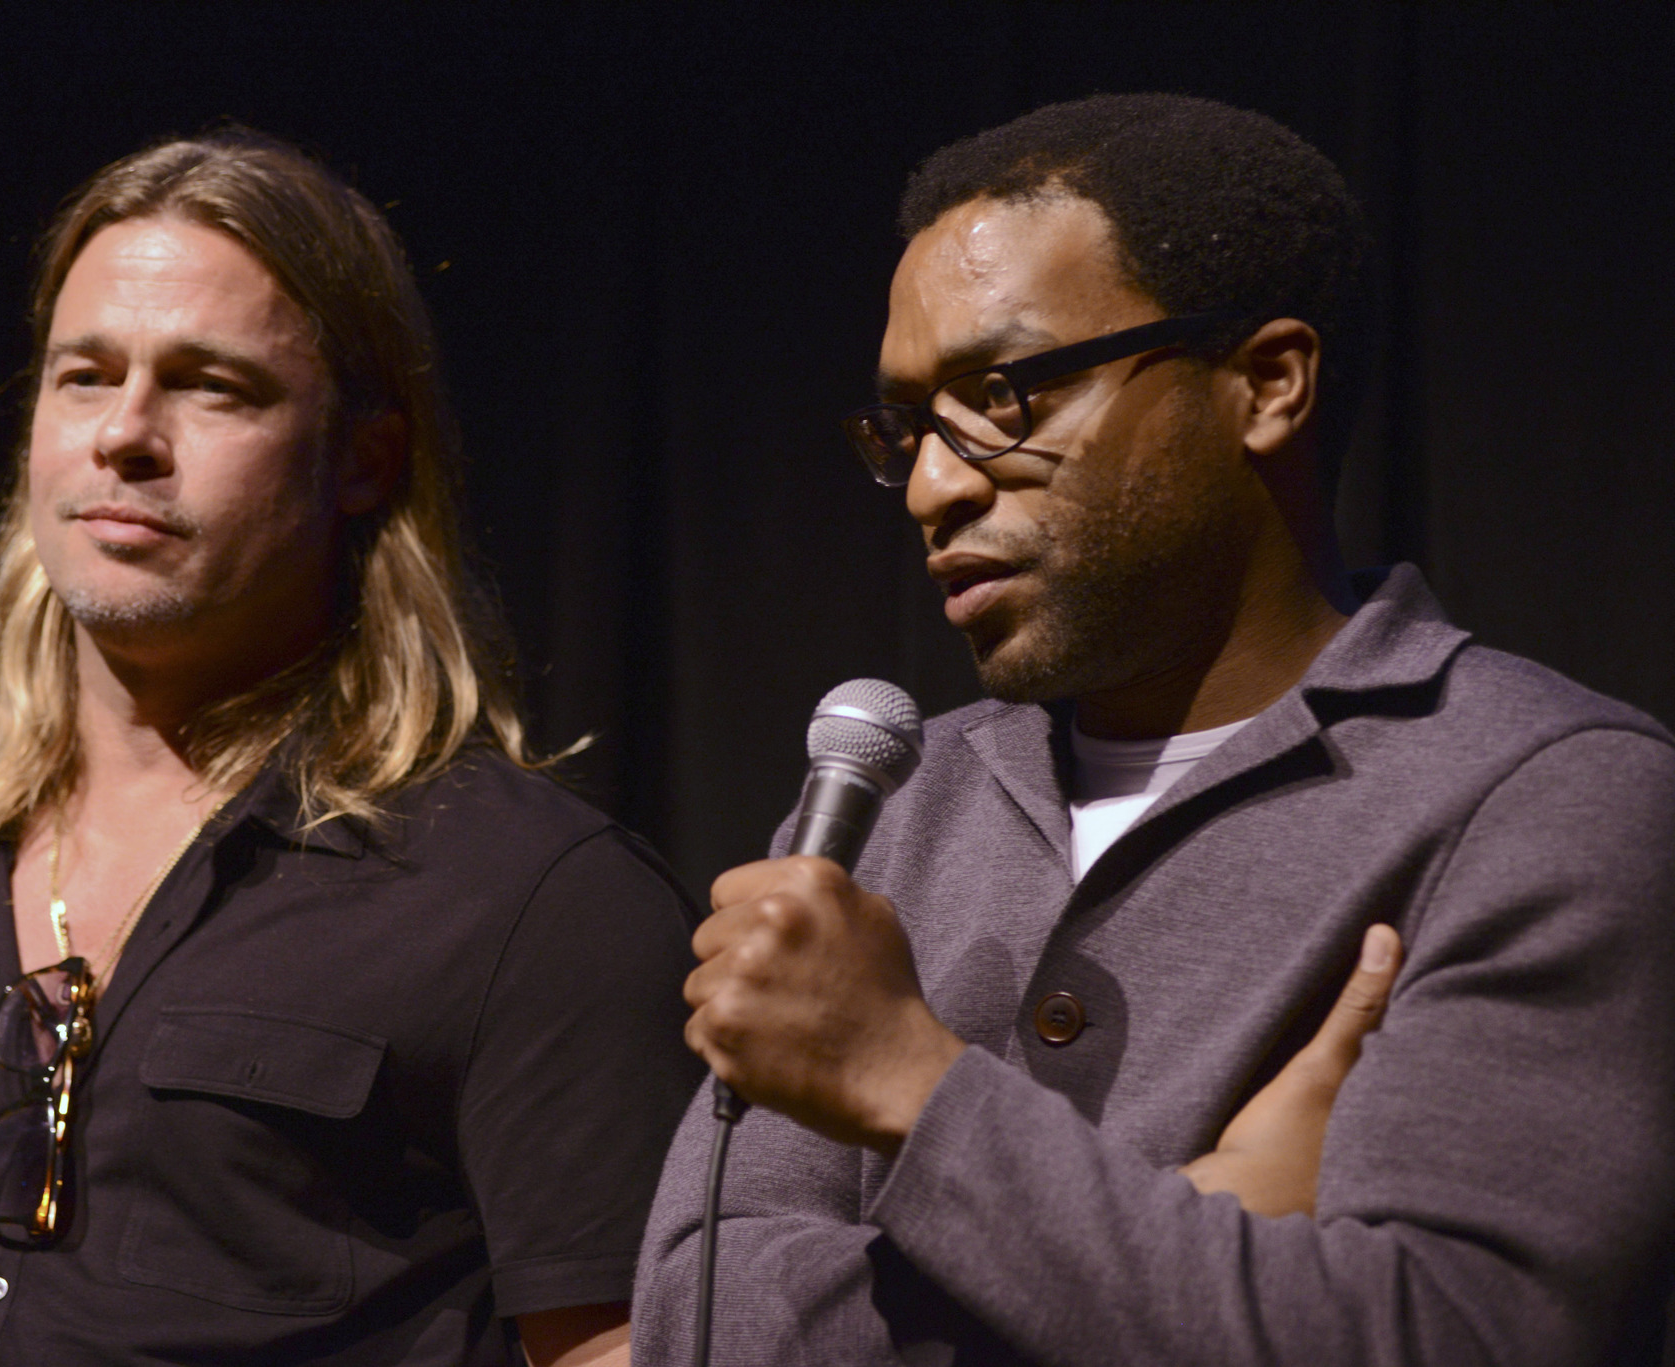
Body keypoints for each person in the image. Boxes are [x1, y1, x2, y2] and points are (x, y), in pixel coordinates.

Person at [634, 94, 1675, 1364]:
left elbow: (1450, 1333)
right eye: (907, 424)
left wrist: (912, 1089)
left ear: (1264, 384)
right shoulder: (899, 803)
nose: (930, 482)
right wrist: (1211, 1218)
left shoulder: (1539, 798)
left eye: (1002, 393)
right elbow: (703, 1325)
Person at [0, 129, 700, 1367]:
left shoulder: (529, 902)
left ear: (364, 458)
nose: (125, 434)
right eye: (83, 375)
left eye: (211, 385)